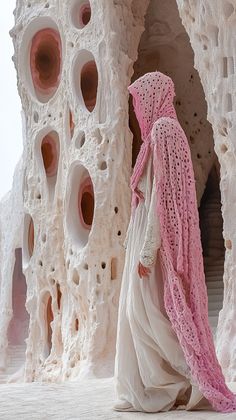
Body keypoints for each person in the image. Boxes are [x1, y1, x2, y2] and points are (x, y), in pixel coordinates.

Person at [114, 71, 236, 413]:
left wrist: (149, 250)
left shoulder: (163, 131)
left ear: (153, 97)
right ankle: (159, 387)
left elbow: (161, 199)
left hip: (153, 241)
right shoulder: (159, 133)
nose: (137, 108)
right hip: (143, 237)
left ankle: (187, 379)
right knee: (138, 314)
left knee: (146, 314)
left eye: (140, 99)